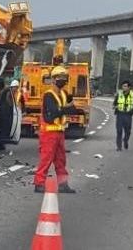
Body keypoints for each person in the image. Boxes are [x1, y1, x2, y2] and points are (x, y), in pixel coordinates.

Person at [34, 66, 80, 194]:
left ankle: (63, 184)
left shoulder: (64, 94)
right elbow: (53, 113)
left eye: (64, 77)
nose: (63, 80)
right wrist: (65, 109)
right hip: (49, 133)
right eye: (60, 77)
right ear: (53, 79)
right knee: (46, 159)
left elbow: (73, 109)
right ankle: (39, 184)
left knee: (61, 160)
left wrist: (65, 109)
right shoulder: (49, 95)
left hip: (59, 132)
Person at [113, 80, 133, 151]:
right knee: (119, 131)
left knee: (128, 131)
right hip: (120, 115)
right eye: (123, 86)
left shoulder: (132, 95)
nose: (123, 87)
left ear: (129, 87)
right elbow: (114, 103)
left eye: (125, 86)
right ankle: (119, 146)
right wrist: (115, 107)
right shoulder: (119, 94)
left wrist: (132, 111)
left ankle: (125, 140)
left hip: (128, 115)